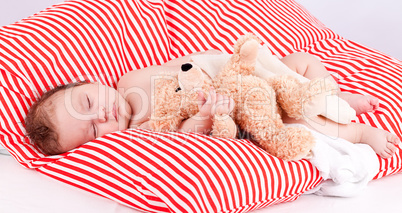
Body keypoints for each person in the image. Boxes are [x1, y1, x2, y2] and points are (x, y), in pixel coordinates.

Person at [24, 50, 400, 158]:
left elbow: (187, 71)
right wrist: (204, 115)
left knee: (302, 61)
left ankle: (332, 96)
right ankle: (360, 131)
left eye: (88, 101)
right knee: (299, 119)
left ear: (91, 82)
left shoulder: (128, 81)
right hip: (247, 107)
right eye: (93, 128)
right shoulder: (141, 134)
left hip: (245, 72)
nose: (102, 115)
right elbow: (184, 130)